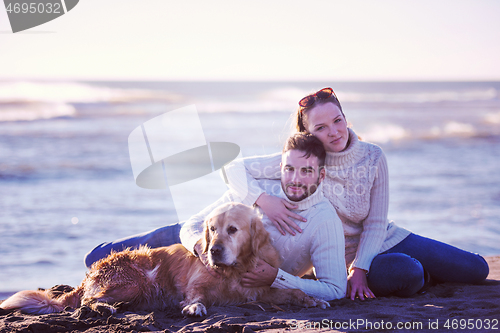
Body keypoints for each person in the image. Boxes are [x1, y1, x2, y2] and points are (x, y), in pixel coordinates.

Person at [222, 87, 489, 300]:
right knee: (408, 273)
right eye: (321, 128)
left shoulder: (373, 156)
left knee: (478, 270)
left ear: (346, 119)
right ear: (308, 134)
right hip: (342, 258)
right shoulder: (307, 162)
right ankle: (425, 275)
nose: (334, 131)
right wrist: (264, 201)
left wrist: (360, 270)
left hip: (386, 238)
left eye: (337, 120)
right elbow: (232, 168)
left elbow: (375, 223)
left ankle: (423, 269)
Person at [85, 133, 347, 301]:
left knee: (115, 282)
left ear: (321, 176)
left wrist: (275, 277)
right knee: (98, 260)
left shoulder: (324, 221)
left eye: (306, 171)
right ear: (279, 167)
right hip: (194, 237)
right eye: (289, 169)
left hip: (214, 258)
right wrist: (203, 247)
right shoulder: (264, 187)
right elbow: (193, 224)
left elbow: (336, 289)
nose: (295, 179)